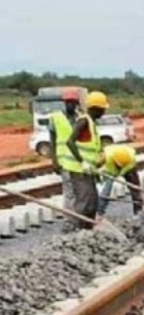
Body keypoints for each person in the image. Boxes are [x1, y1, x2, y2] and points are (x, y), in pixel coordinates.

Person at [63, 90, 109, 228]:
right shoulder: (83, 121)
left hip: (88, 170)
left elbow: (92, 148)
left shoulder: (91, 123)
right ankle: (79, 231)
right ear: (95, 109)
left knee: (93, 201)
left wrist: (98, 163)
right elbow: (70, 141)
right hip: (79, 169)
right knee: (85, 202)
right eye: (102, 110)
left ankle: (88, 230)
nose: (104, 113)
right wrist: (82, 162)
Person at [49, 88, 80, 227]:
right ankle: (69, 220)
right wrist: (54, 160)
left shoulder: (80, 118)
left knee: (79, 191)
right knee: (69, 192)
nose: (70, 105)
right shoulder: (56, 118)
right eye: (68, 102)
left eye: (73, 102)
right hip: (64, 161)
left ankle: (78, 217)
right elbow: (52, 140)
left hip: (78, 161)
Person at [97, 144, 143, 218]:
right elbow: (112, 172)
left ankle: (138, 211)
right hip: (114, 162)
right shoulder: (107, 156)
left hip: (128, 167)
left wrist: (121, 173)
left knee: (135, 189)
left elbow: (127, 168)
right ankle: (100, 210)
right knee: (107, 186)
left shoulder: (131, 160)